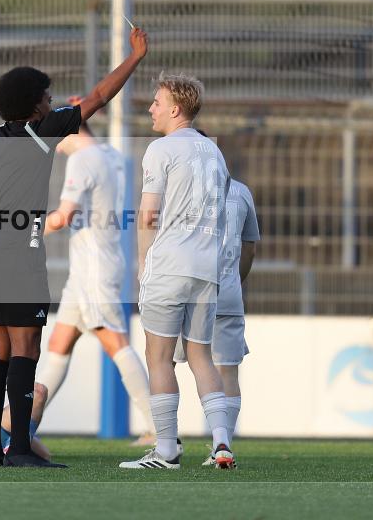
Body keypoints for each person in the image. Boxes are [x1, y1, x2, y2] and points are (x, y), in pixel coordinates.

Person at [0, 27, 149, 467]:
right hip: (22, 251)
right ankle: (20, 449)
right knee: (27, 349)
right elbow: (99, 96)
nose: (52, 101)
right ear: (33, 105)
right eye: (46, 96)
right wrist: (134, 57)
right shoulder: (41, 131)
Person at [120, 73, 233, 470]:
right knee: (202, 356)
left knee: (159, 358)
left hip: (169, 265)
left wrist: (142, 263)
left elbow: (148, 214)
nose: (151, 108)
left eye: (156, 102)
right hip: (207, 268)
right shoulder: (213, 152)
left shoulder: (161, 149)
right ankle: (221, 443)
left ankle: (166, 449)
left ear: (175, 108)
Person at [39, 123, 156, 445]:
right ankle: (20, 426)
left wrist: (26, 233)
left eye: (54, 137)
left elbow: (63, 216)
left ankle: (159, 429)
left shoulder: (83, 159)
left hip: (94, 270)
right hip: (90, 268)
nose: (55, 146)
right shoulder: (110, 155)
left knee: (116, 345)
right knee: (58, 347)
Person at [178, 177, 259, 465]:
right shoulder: (241, 190)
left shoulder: (182, 186)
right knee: (228, 372)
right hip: (228, 291)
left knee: (165, 362)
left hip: (188, 290)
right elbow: (249, 248)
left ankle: (165, 440)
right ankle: (222, 444)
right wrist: (236, 280)